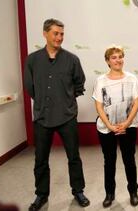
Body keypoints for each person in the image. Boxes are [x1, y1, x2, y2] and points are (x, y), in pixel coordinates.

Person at [23, 18, 90, 210]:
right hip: (42, 117)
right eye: (55, 33)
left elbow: (79, 84)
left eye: (62, 34)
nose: (59, 37)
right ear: (45, 33)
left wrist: (65, 99)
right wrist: (46, 100)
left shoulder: (72, 59)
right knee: (40, 159)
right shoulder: (32, 60)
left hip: (67, 116)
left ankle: (78, 191)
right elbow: (30, 87)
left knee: (73, 157)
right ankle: (41, 195)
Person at [92, 45, 138, 208]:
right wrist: (110, 126)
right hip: (107, 128)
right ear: (107, 61)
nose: (118, 60)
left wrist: (126, 123)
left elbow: (136, 103)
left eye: (120, 56)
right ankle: (109, 193)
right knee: (109, 161)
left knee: (129, 160)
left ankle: (133, 192)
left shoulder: (132, 78)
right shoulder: (101, 81)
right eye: (113, 57)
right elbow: (99, 106)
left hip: (128, 127)